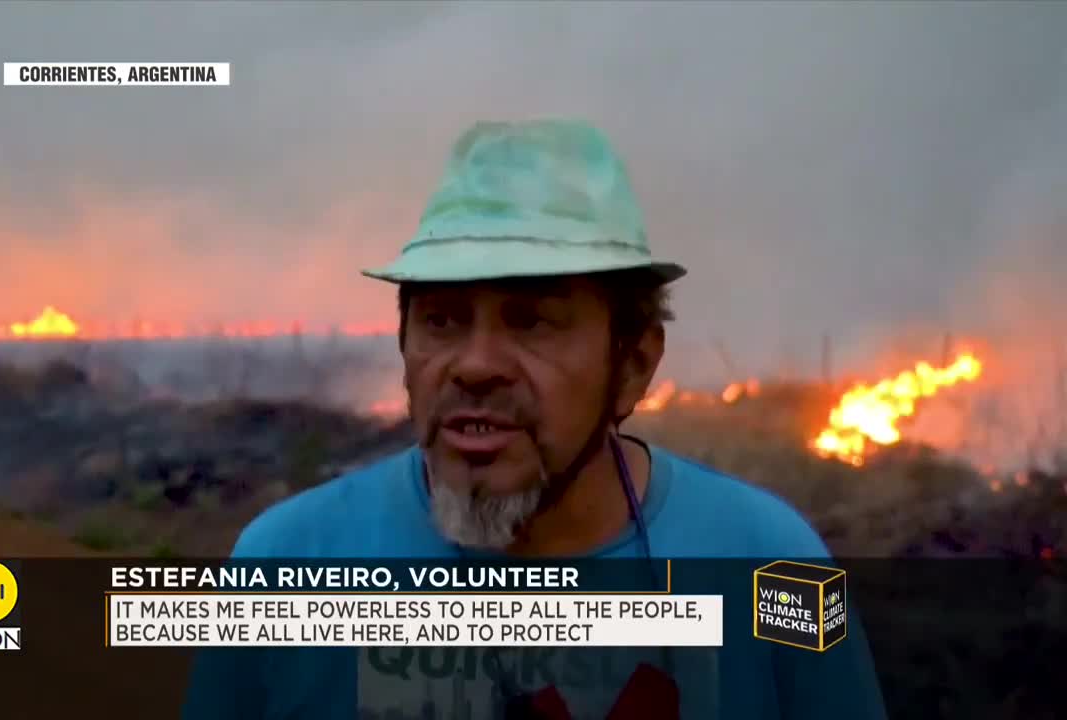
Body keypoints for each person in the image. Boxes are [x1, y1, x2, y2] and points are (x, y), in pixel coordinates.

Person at [183, 119, 886, 719]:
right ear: (403, 346)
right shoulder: (285, 565)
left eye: (534, 322)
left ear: (634, 364)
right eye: (442, 320)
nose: (475, 365)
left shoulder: (772, 565)